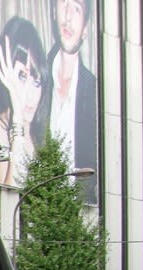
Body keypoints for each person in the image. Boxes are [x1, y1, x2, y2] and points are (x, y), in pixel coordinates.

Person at [0, 17, 49, 188]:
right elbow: (11, 191)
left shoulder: (40, 131)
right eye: (22, 77)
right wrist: (17, 123)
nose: (30, 94)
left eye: (36, 82)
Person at [47, 0, 98, 202]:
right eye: (63, 5)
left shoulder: (93, 90)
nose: (67, 17)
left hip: (77, 210)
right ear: (53, 11)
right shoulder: (35, 76)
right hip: (35, 200)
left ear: (85, 28)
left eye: (76, 9)